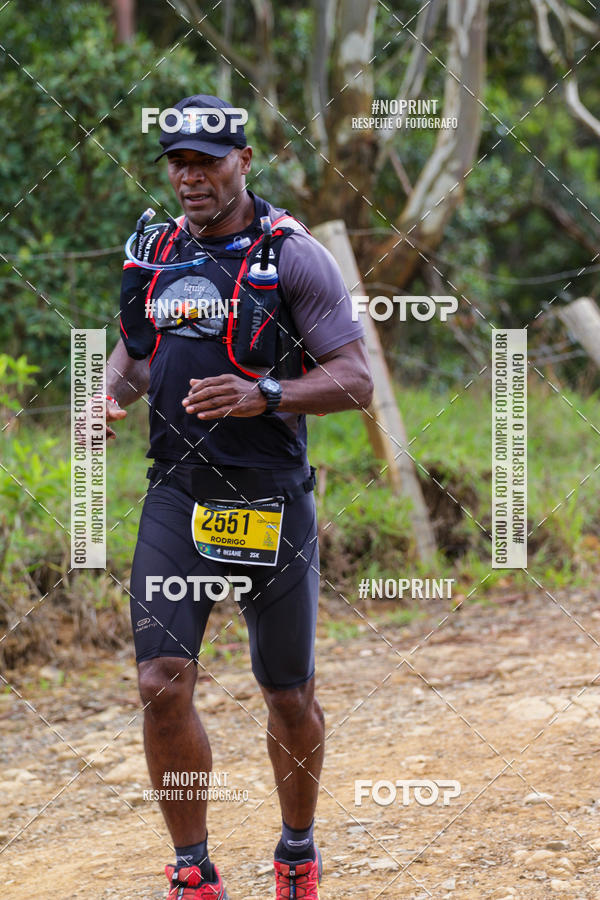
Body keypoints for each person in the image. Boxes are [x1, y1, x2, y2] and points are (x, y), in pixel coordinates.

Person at [105, 93, 373, 900]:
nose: (191, 178)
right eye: (178, 162)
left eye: (207, 161)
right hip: (177, 497)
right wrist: (108, 394)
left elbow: (355, 379)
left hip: (270, 501)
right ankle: (193, 868)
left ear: (244, 161)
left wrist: (267, 393)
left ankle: (297, 847)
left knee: (289, 694)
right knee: (160, 683)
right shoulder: (153, 252)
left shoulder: (294, 256)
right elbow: (135, 349)